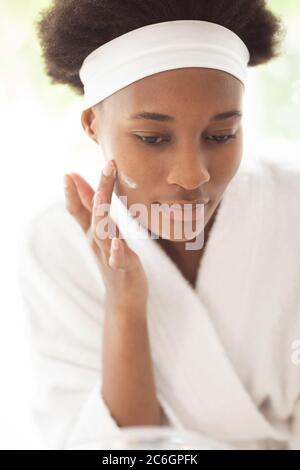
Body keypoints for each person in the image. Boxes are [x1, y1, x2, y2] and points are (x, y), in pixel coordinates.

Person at [19, 0, 300, 450]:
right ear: (93, 124)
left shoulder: (293, 211)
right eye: (152, 139)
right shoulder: (56, 246)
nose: (192, 176)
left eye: (221, 135)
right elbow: (119, 453)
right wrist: (125, 305)